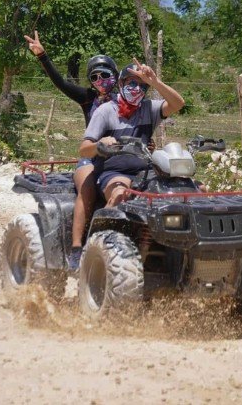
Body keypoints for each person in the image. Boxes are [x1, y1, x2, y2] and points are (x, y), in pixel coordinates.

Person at [24, 30, 118, 271]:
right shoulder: (88, 99)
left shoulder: (127, 101)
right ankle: (76, 249)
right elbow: (61, 84)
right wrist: (42, 56)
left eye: (104, 75)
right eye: (94, 77)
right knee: (86, 190)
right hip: (91, 158)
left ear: (115, 76)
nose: (100, 80)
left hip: (121, 161)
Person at [79, 59, 185, 207]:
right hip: (113, 172)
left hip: (145, 172)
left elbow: (178, 104)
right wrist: (99, 145)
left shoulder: (149, 108)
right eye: (132, 83)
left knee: (185, 192)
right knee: (121, 194)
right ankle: (106, 226)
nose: (137, 88)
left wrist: (155, 82)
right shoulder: (105, 111)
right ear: (121, 84)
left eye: (142, 85)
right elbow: (84, 149)